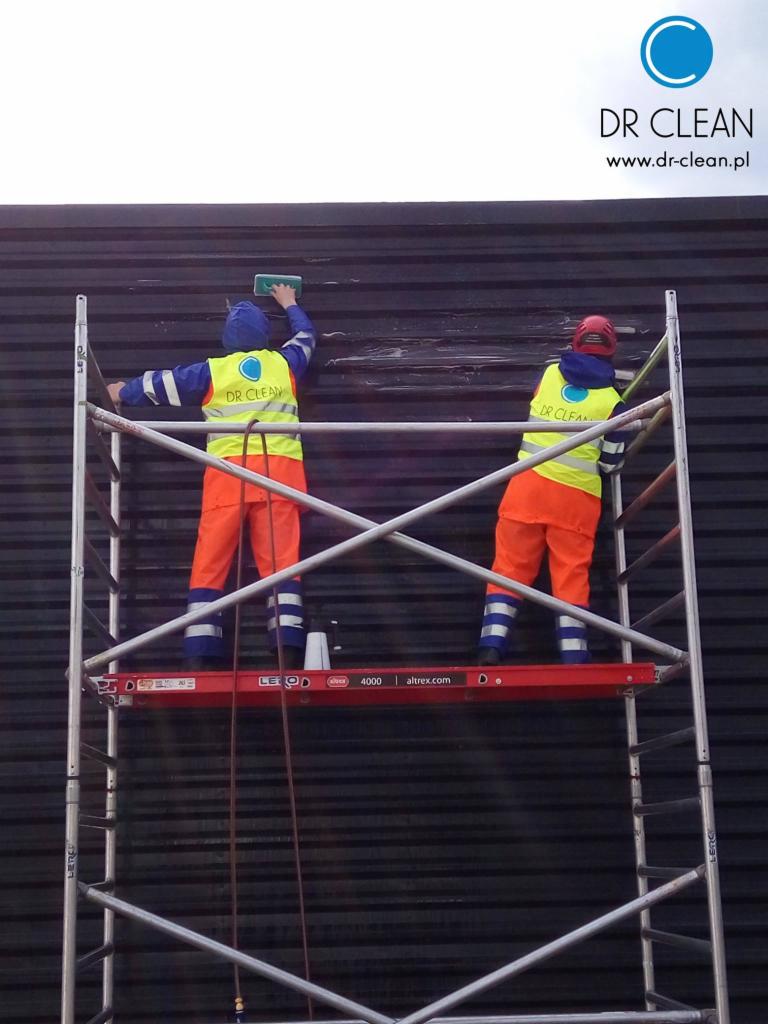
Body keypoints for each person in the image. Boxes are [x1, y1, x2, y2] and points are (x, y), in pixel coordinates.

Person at [107, 284, 316, 670]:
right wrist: (289, 303)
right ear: (264, 336)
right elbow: (306, 338)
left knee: (211, 563)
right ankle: (287, 649)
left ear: (227, 339)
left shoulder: (212, 372)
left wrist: (122, 391)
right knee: (281, 565)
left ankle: (201, 653)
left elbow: (163, 384)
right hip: (279, 480)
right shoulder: (284, 365)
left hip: (228, 481)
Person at [478, 315, 628, 667]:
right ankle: (574, 657)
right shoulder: (613, 403)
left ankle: (490, 647)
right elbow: (610, 464)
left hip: (526, 489)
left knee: (508, 569)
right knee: (570, 577)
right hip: (575, 501)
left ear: (576, 342)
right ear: (610, 350)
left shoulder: (546, 376)